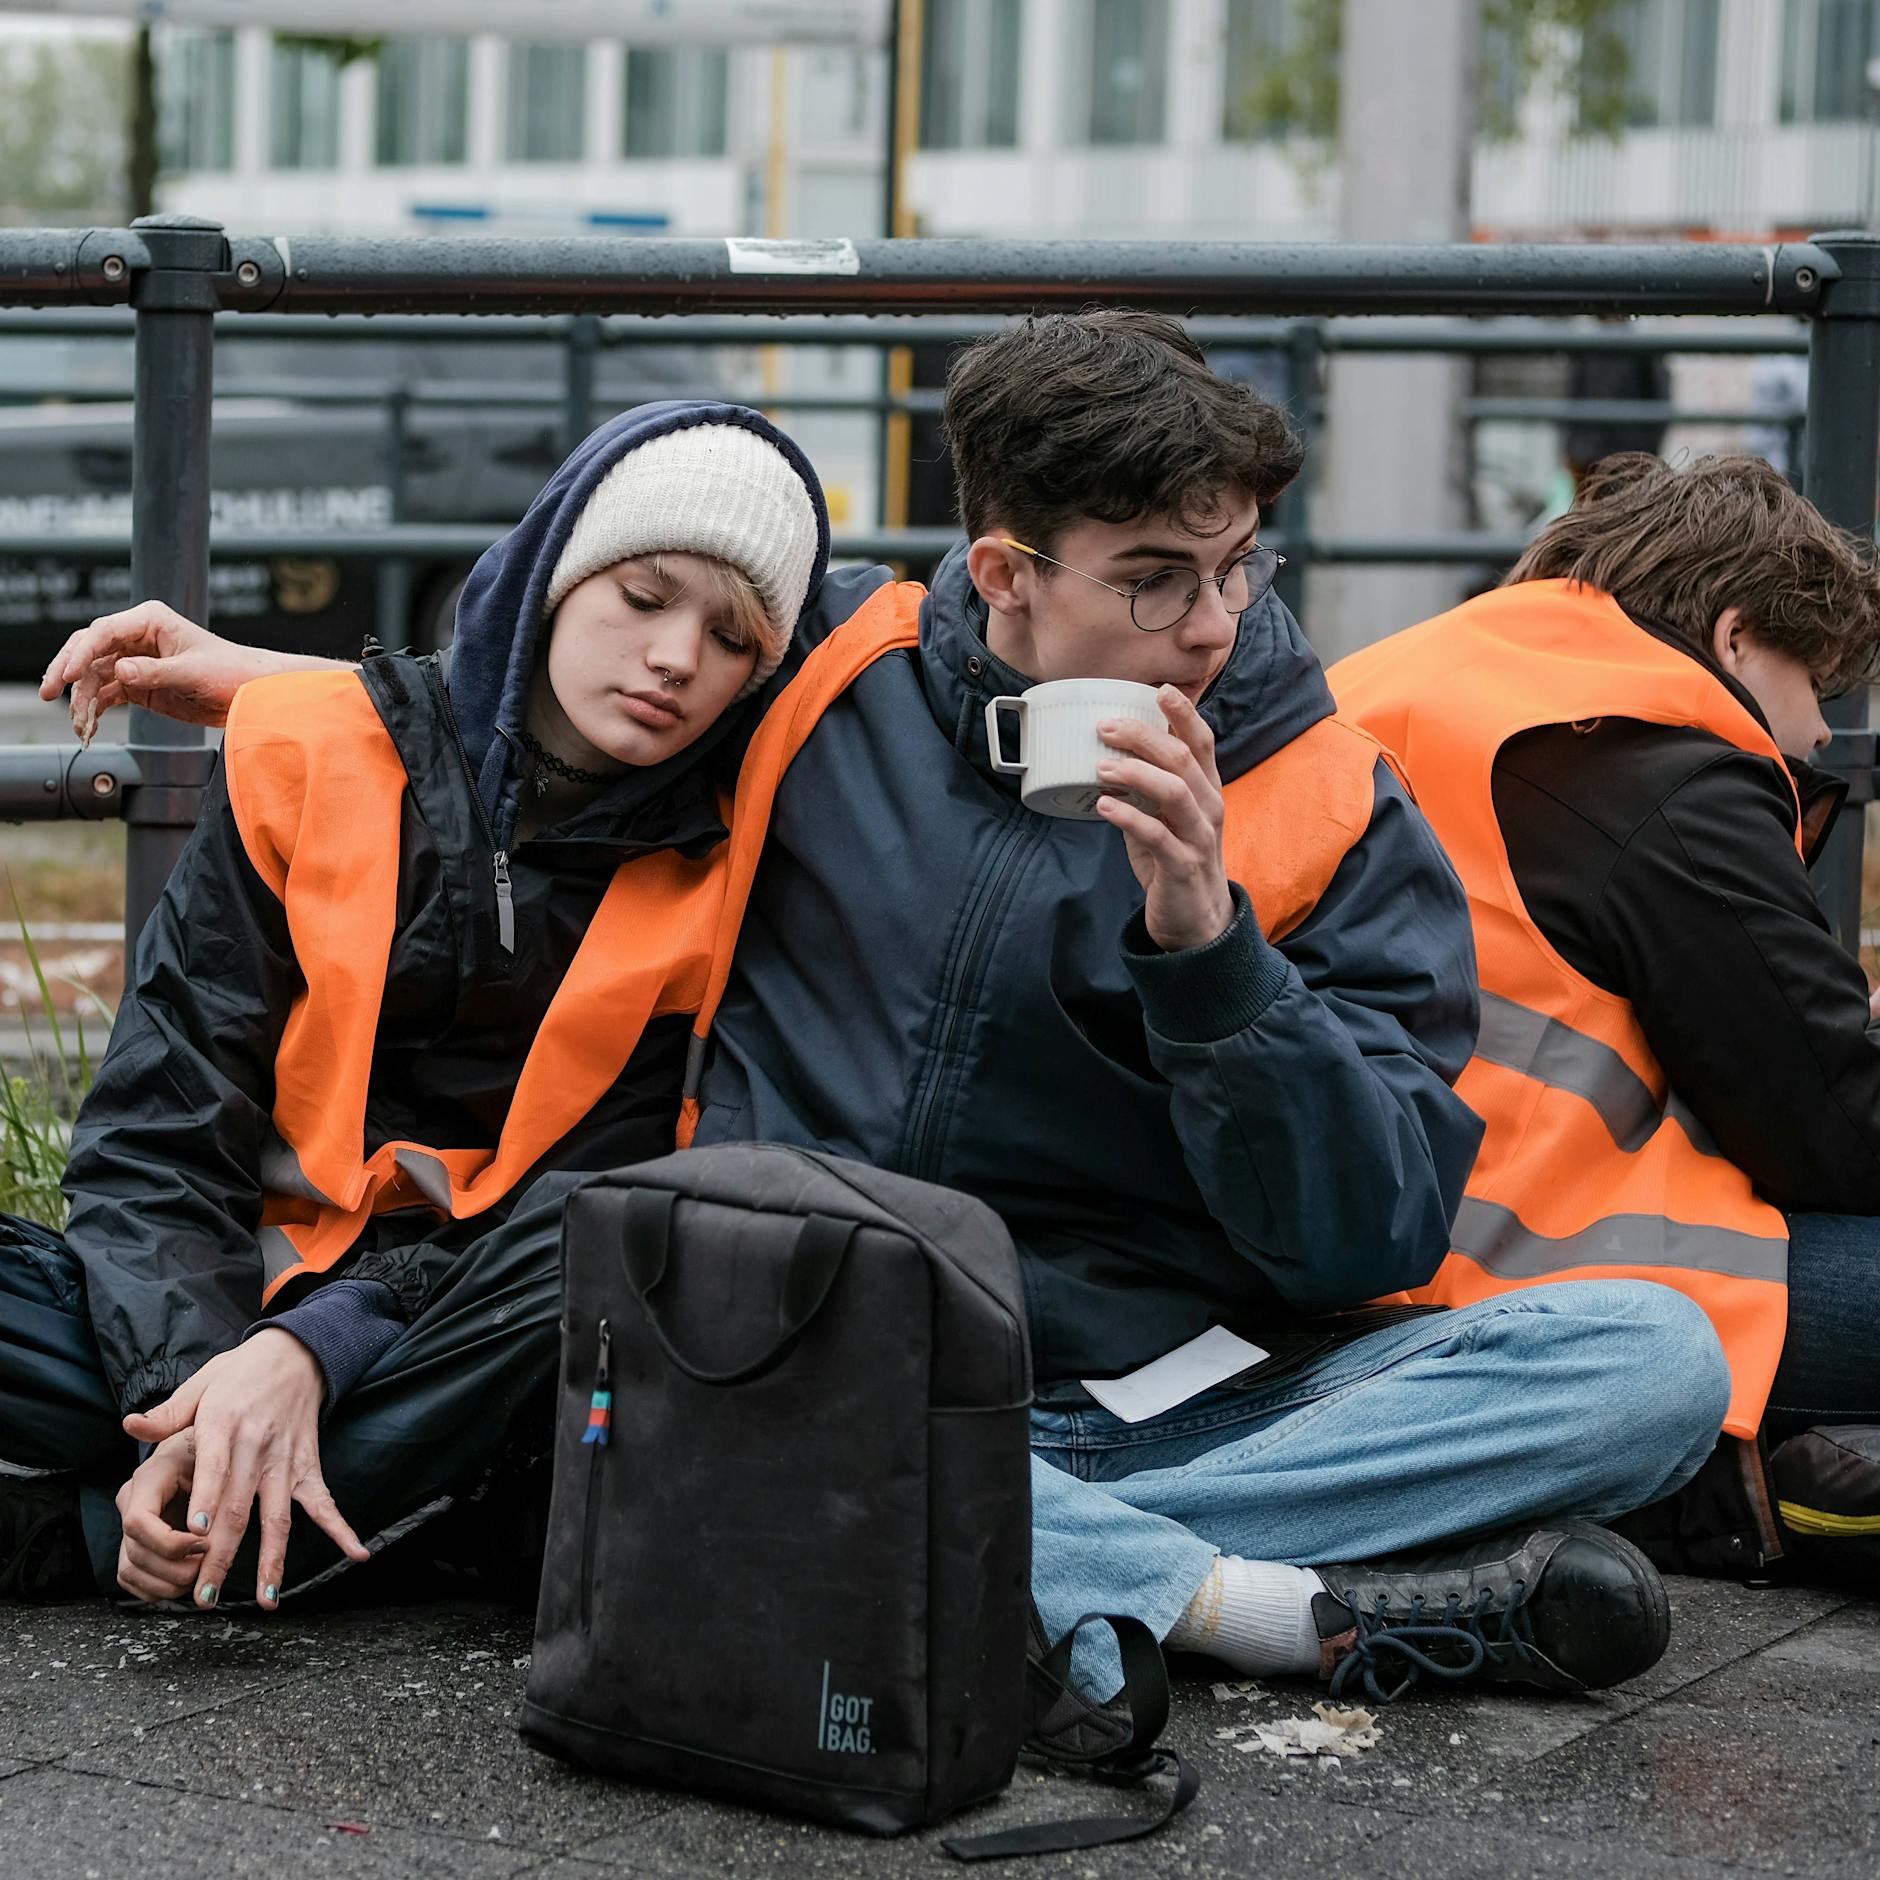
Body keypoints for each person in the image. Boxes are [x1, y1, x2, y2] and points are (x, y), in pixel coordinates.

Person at [28, 315, 1729, 1708]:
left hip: (1159, 1390)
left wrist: (1209, 952)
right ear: (1002, 570)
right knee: (654, 1347)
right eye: (1151, 580)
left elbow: (1361, 1235)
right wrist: (277, 683)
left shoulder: (1326, 802)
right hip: (808, 1345)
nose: (1213, 628)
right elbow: (575, 683)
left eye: (1237, 569)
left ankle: (1055, 1566)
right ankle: (1273, 1610)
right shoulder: (825, 674)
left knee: (1651, 1364)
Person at [0, 400, 830, 1611]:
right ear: (551, 576)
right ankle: (358, 1508)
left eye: (734, 640)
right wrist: (212, 1383)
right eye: (641, 596)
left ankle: (81, 1536)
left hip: (457, 1322)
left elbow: (578, 1204)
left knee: (622, 1237)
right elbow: (158, 1127)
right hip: (226, 1296)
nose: (674, 659)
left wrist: (316, 1349)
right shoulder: (312, 752)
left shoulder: (726, 865)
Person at [1331, 452, 1880, 1571]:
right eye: (1809, 683)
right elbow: (1831, 1130)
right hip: (1538, 1281)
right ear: (1731, 639)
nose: (1820, 734)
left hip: (1357, 1240)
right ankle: (1739, 1476)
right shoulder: (1658, 771)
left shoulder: (1416, 678)